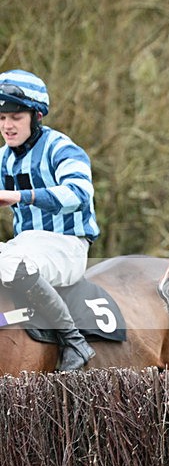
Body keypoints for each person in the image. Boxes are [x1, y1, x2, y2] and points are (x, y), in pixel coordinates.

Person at [0, 69, 99, 370]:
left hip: (67, 245)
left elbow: (79, 193)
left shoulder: (61, 148)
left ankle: (74, 341)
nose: (7, 126)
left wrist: (20, 196)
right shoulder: (3, 157)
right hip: (26, 243)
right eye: (2, 118)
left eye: (15, 117)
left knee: (13, 265)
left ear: (37, 116)